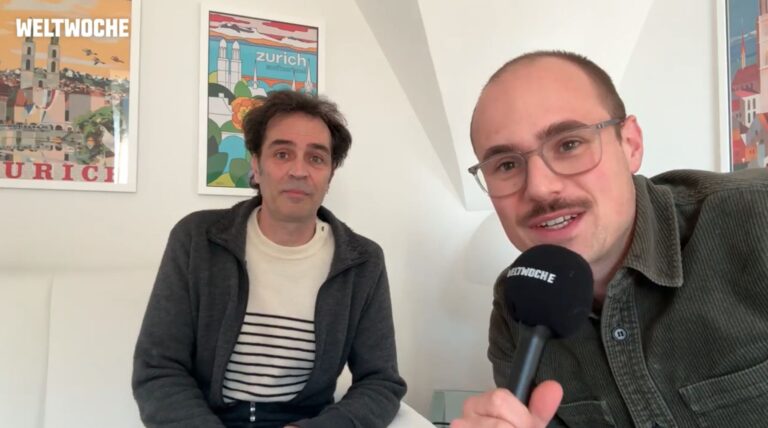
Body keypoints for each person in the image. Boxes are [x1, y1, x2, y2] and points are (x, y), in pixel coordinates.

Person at [453, 50, 768, 427]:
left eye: (569, 144)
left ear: (630, 144)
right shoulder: (516, 307)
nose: (539, 188)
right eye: (506, 165)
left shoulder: (757, 217)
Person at [133, 90, 406, 427]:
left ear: (330, 174)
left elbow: (381, 383)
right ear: (256, 165)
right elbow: (158, 369)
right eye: (282, 154)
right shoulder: (196, 239)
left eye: (316, 158)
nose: (299, 171)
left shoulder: (362, 261)